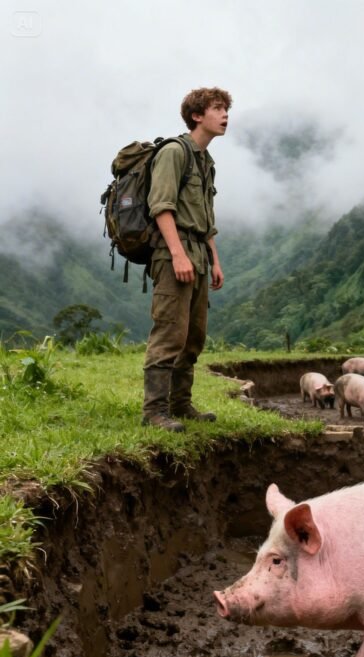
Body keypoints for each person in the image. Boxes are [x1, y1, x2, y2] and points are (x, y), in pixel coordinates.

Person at [142, 87, 232, 431]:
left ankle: (180, 405)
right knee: (169, 333)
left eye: (226, 109)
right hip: (173, 251)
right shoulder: (174, 153)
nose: (225, 116)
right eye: (218, 109)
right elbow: (161, 206)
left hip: (198, 254)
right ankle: (154, 412)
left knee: (193, 336)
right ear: (197, 115)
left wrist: (215, 260)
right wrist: (178, 255)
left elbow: (206, 219)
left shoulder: (205, 161)